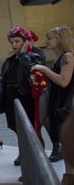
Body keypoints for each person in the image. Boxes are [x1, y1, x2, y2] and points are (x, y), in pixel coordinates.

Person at [32, 26, 74, 185]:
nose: (46, 41)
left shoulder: (68, 56)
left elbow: (64, 81)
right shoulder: (61, 58)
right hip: (61, 109)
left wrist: (43, 68)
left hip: (67, 110)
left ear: (60, 39)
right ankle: (69, 177)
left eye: (50, 38)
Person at [0, 26, 46, 166]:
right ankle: (24, 152)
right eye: (11, 42)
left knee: (31, 130)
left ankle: (38, 155)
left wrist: (24, 55)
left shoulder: (35, 56)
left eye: (17, 41)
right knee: (17, 128)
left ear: (25, 41)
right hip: (11, 100)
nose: (14, 45)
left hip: (26, 99)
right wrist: (0, 101)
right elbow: (3, 82)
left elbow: (33, 72)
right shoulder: (9, 61)